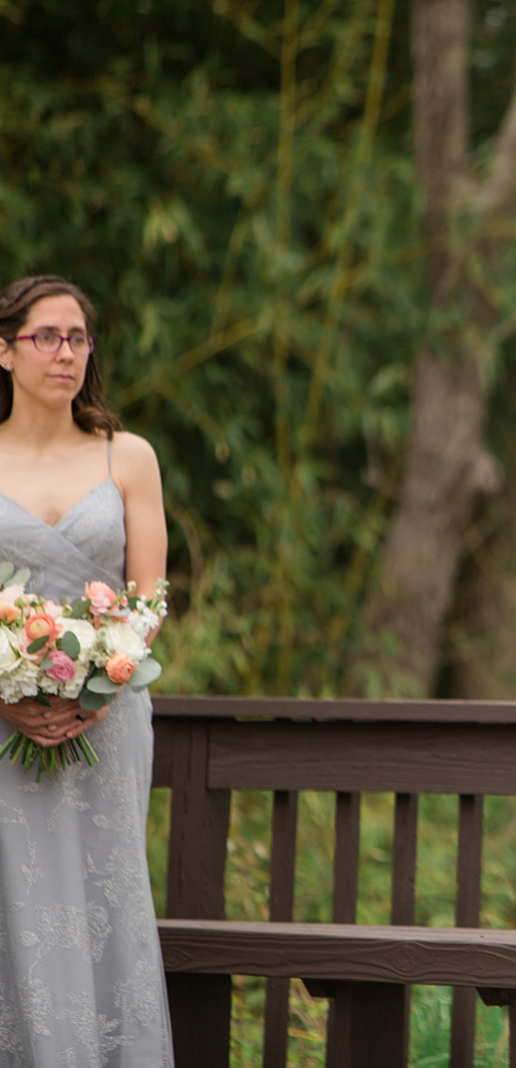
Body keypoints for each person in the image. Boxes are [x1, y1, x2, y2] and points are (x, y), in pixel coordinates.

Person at [0, 276, 174, 1065]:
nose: (65, 352)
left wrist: (102, 681)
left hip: (108, 721)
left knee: (107, 894)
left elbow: (149, 597)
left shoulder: (126, 456)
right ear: (4, 350)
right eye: (46, 336)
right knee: (17, 903)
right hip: (1, 723)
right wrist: (8, 695)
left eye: (78, 338)